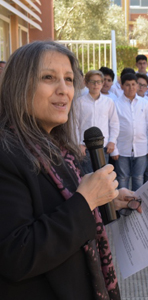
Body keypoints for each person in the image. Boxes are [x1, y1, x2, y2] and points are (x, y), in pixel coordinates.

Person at [0, 41, 140, 300]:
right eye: (48, 78)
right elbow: (15, 255)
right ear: (18, 85)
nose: (63, 90)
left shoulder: (54, 147)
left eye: (68, 79)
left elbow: (58, 208)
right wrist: (86, 200)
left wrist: (105, 202)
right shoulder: (7, 153)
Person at [112, 73, 148, 191]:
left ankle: (137, 207)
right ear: (121, 86)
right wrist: (114, 149)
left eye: (133, 84)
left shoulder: (144, 103)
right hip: (122, 149)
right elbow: (113, 127)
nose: (131, 87)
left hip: (141, 149)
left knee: (138, 178)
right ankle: (123, 209)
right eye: (127, 85)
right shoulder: (116, 104)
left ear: (137, 85)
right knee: (122, 178)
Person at [75, 70, 119, 174]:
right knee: (87, 177)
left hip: (103, 148)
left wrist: (112, 141)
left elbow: (114, 123)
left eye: (99, 82)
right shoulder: (79, 102)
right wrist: (78, 144)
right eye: (93, 82)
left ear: (102, 83)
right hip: (84, 148)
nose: (96, 85)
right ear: (86, 83)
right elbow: (74, 125)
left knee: (103, 177)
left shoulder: (108, 102)